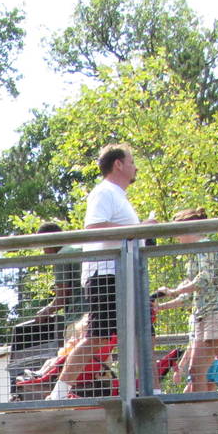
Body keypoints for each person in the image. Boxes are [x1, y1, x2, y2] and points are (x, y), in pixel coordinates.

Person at [48, 144, 140, 401]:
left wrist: (143, 233)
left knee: (140, 333)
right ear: (118, 164)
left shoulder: (119, 196)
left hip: (125, 274)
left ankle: (146, 391)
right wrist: (137, 230)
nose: (135, 167)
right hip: (105, 274)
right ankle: (58, 394)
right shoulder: (104, 192)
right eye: (132, 161)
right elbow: (94, 226)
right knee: (98, 338)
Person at [153, 207, 218, 392]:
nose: (176, 237)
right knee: (196, 371)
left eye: (177, 232)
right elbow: (190, 296)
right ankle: (200, 409)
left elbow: (204, 279)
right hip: (203, 317)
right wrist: (163, 306)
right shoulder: (194, 255)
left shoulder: (205, 248)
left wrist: (174, 291)